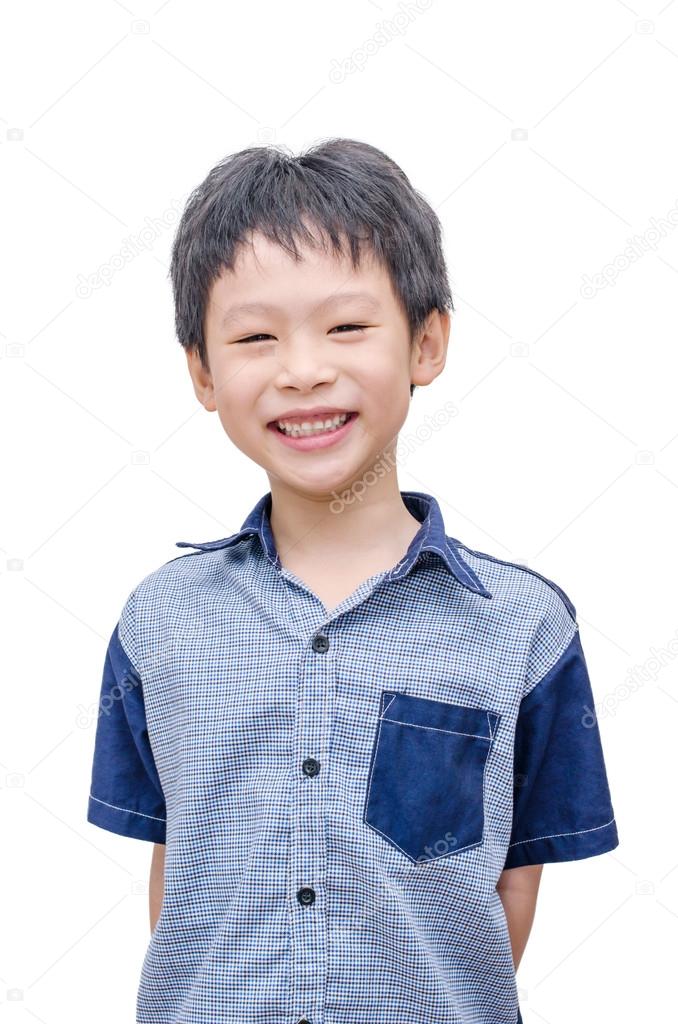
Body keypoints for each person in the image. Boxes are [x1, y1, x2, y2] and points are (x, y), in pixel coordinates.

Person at [86, 137, 619, 1024]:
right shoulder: (160, 619)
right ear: (202, 374)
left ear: (427, 340)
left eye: (345, 326)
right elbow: (175, 858)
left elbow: (513, 882)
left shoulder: (523, 625)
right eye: (255, 337)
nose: (302, 370)